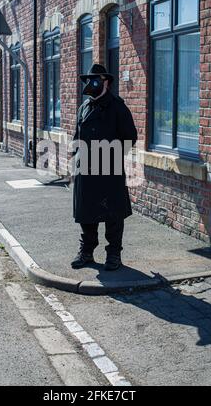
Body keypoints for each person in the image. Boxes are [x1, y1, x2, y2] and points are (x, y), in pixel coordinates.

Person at [71, 64, 138, 271]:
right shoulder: (84, 107)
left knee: (113, 215)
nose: (91, 84)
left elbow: (130, 137)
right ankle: (87, 252)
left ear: (105, 82)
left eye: (95, 80)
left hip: (110, 169)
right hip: (86, 170)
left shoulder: (118, 106)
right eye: (89, 80)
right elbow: (77, 137)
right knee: (86, 213)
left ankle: (114, 254)